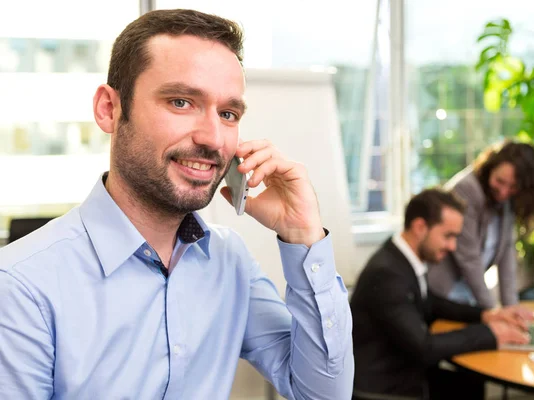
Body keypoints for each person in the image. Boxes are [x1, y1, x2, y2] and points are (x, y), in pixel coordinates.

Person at [0, 10, 353, 400]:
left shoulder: (229, 260)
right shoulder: (20, 288)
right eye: (181, 102)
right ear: (109, 109)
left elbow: (322, 393)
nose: (213, 139)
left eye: (228, 113)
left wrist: (303, 235)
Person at [351, 188, 531, 400]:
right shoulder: (387, 274)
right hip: (384, 388)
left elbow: (430, 303)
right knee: (467, 387)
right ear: (420, 227)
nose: (453, 246)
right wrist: (492, 333)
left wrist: (486, 315)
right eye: (448, 236)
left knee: (470, 384)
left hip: (404, 368)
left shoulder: (402, 257)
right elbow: (424, 347)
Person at [428, 141, 534, 309]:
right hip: (445, 290)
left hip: (469, 294)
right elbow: (469, 259)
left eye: (513, 187)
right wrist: (493, 311)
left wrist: (512, 309)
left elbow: (506, 254)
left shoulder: (506, 201)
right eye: (499, 181)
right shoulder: (466, 190)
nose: (504, 192)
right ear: (491, 167)